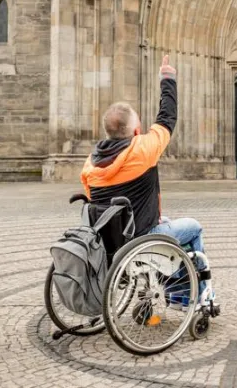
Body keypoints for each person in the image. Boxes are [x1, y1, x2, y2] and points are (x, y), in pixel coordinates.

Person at [81, 54, 209, 283]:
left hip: (112, 240)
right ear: (136, 129)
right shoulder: (142, 151)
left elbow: (95, 203)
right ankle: (190, 295)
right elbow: (167, 118)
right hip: (144, 236)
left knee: (166, 220)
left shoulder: (90, 164)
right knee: (194, 228)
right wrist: (167, 78)